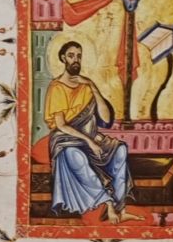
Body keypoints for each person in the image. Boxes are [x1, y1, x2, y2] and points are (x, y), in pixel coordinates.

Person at [43, 41, 140, 223]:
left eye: (79, 56)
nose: (75, 60)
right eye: (71, 56)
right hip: (66, 140)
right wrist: (89, 142)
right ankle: (108, 204)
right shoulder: (56, 87)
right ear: (63, 58)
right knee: (75, 156)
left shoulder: (86, 86)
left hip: (90, 136)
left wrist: (92, 85)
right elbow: (61, 125)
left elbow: (105, 119)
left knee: (120, 150)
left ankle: (121, 208)